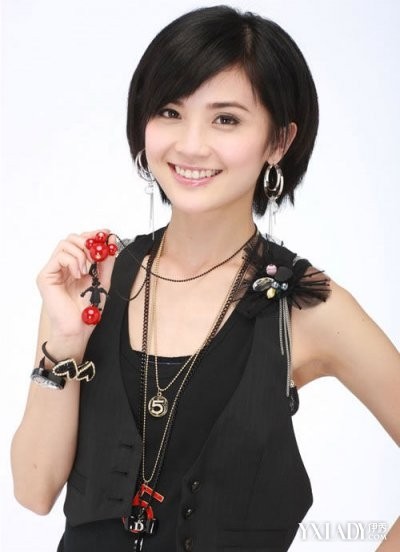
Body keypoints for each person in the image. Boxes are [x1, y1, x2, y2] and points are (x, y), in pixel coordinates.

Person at [10, 5, 400, 552]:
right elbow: (33, 492)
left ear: (279, 141)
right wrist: (65, 342)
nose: (191, 145)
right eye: (170, 111)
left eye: (226, 119)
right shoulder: (92, 281)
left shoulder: (305, 306)